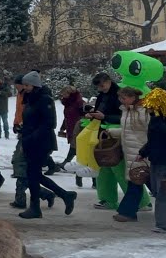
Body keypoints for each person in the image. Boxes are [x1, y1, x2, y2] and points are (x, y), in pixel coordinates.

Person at [15, 72, 76, 219]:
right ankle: (64, 195)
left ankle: (36, 207)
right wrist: (23, 129)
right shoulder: (30, 99)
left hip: (41, 143)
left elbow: (49, 123)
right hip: (31, 141)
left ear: (34, 85)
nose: (25, 87)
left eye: (27, 85)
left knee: (33, 175)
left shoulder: (44, 99)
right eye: (24, 84)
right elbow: (32, 120)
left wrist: (32, 136)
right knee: (33, 176)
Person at [119, 86, 166, 230]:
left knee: (158, 190)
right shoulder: (159, 118)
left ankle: (163, 223)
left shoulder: (155, 119)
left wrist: (144, 151)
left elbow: (155, 138)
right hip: (145, 153)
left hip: (156, 157)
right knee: (158, 187)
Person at [110, 87, 153, 222]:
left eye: (123, 98)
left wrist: (145, 150)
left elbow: (146, 130)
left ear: (132, 98)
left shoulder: (143, 111)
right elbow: (128, 131)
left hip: (140, 152)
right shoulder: (127, 111)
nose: (120, 100)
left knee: (137, 182)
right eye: (120, 98)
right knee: (143, 182)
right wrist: (112, 132)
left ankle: (127, 212)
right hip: (131, 152)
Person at [86, 73, 124, 209]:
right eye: (98, 87)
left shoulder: (119, 95)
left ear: (108, 81)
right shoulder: (103, 95)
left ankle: (142, 201)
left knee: (119, 169)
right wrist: (93, 114)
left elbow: (124, 117)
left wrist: (105, 116)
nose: (100, 89)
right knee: (104, 168)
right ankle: (107, 199)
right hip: (103, 134)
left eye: (102, 85)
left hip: (115, 135)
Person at [58, 86, 85, 166]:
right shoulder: (68, 103)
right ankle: (71, 162)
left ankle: (68, 162)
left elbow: (85, 115)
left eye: (64, 94)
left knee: (76, 146)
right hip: (71, 127)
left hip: (78, 128)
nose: (63, 96)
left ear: (70, 94)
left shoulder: (79, 103)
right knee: (75, 146)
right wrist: (63, 127)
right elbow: (67, 116)